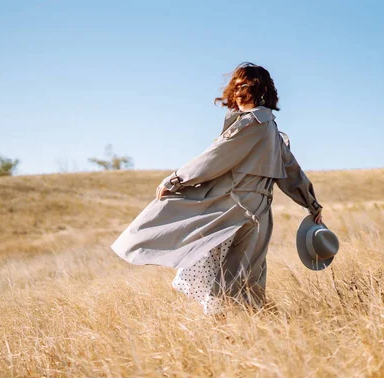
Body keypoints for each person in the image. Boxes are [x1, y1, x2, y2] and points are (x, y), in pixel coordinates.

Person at [111, 62, 323, 315]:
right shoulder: (271, 130)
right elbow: (292, 172)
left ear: (250, 90)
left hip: (234, 208)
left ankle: (231, 331)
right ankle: (251, 329)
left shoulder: (252, 124)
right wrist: (311, 203)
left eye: (241, 85)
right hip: (258, 212)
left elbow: (215, 157)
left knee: (232, 277)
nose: (237, 91)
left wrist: (176, 179)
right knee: (246, 275)